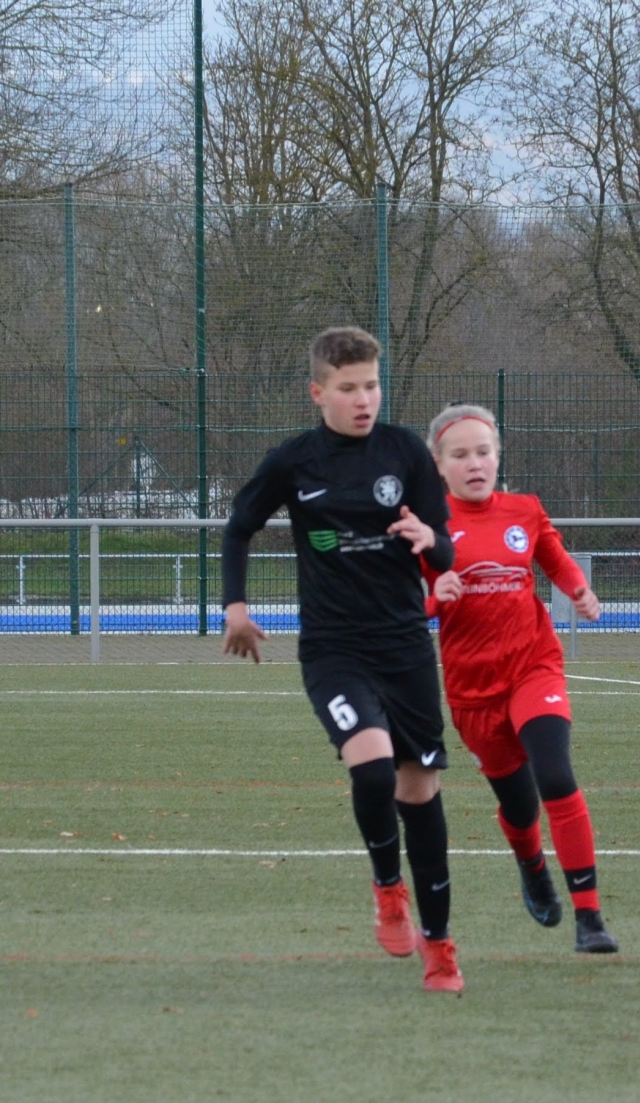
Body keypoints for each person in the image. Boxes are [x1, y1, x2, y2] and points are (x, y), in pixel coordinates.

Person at [220, 327, 465, 993]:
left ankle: (440, 946)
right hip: (334, 649)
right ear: (318, 392)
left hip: (405, 648)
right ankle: (388, 888)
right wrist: (235, 606)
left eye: (372, 386)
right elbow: (239, 527)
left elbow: (445, 549)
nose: (364, 400)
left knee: (419, 792)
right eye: (349, 388)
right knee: (373, 765)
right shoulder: (294, 461)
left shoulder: (405, 452)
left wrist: (428, 538)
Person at [422, 403, 620, 953]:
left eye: (483, 451)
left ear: (497, 456)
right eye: (460, 454)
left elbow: (554, 558)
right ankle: (532, 865)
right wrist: (433, 598)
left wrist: (578, 589)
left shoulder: (524, 510)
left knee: (555, 775)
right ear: (438, 465)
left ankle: (590, 918)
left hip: (534, 665)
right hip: (472, 689)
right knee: (519, 805)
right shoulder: (426, 525)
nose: (474, 463)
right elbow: (401, 605)